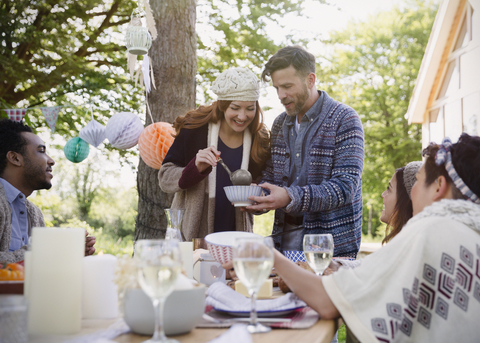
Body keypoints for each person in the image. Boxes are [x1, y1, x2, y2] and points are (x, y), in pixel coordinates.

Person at [247, 133, 480, 342]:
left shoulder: (430, 229)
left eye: (418, 180)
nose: (413, 191)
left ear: (439, 185)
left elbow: (328, 302)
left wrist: (269, 255)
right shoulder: (470, 234)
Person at [245, 45, 364, 259]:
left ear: (310, 80)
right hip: (284, 242)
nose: (281, 95)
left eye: (287, 86)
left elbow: (345, 187)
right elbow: (273, 177)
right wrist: (259, 196)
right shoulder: (281, 123)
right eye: (277, 88)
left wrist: (289, 197)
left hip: (329, 248)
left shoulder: (345, 119)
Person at [159, 67, 270, 241]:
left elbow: (266, 190)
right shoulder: (194, 129)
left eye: (250, 108)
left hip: (238, 238)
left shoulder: (260, 139)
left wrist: (260, 199)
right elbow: (165, 178)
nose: (242, 116)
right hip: (193, 236)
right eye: (235, 107)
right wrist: (194, 168)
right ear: (223, 105)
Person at [0, 119, 96, 263]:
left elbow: (41, 267)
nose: (51, 161)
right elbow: (38, 256)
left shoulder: (35, 213)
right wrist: (51, 246)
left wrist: (69, 256)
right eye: (41, 151)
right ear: (15, 158)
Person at [325, 161, 423, 274]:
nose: (383, 194)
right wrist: (336, 265)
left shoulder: (408, 251)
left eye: (389, 189)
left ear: (405, 200)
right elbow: (372, 265)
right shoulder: (406, 244)